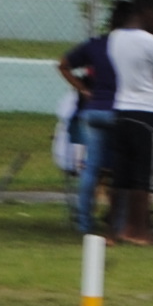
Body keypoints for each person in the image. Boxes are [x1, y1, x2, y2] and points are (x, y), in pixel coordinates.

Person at [101, 0, 153, 244]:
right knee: (144, 178)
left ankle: (114, 231)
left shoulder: (115, 37)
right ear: (146, 12)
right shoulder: (151, 41)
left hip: (122, 110)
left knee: (121, 175)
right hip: (148, 113)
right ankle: (139, 231)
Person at [57, 19, 117, 231]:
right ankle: (118, 221)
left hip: (91, 112)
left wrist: (83, 90)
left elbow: (63, 65)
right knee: (121, 168)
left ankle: (84, 222)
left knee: (91, 169)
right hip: (119, 112)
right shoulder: (131, 47)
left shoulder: (95, 45)